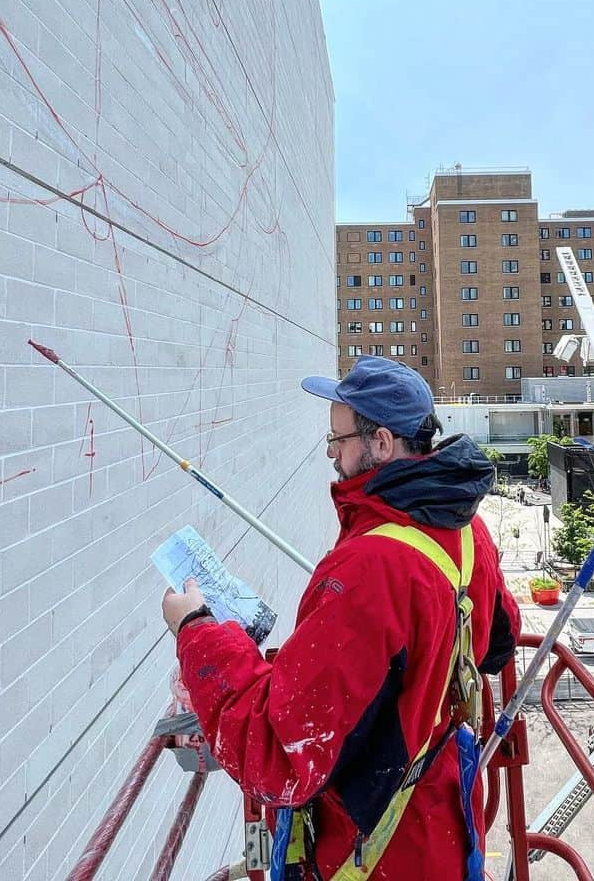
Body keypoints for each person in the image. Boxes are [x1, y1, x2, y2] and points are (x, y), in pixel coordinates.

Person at [162, 356, 521, 880]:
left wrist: (197, 632)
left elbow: (279, 754)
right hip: (441, 820)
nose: (331, 454)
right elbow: (498, 644)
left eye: (338, 439)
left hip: (371, 851)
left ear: (380, 443)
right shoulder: (466, 533)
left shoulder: (370, 567)